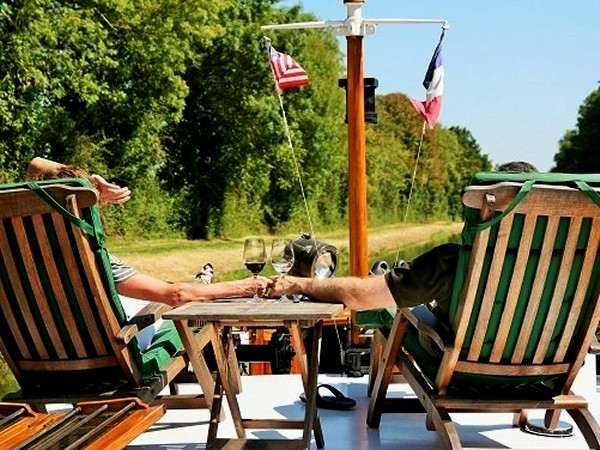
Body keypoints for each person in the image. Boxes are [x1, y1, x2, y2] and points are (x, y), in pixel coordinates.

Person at [269, 161, 539, 354]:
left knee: (392, 308)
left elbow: (358, 296)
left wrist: (298, 284)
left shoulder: (453, 263)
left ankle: (385, 283)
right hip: (544, 376)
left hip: (461, 366)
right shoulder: (577, 268)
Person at [26, 158, 273, 349]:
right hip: (113, 350)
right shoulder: (91, 257)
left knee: (143, 296)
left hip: (40, 359)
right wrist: (245, 286)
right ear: (88, 211)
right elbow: (176, 296)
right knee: (171, 307)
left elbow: (35, 164)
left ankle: (200, 281)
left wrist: (87, 185)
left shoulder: (17, 252)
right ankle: (202, 282)